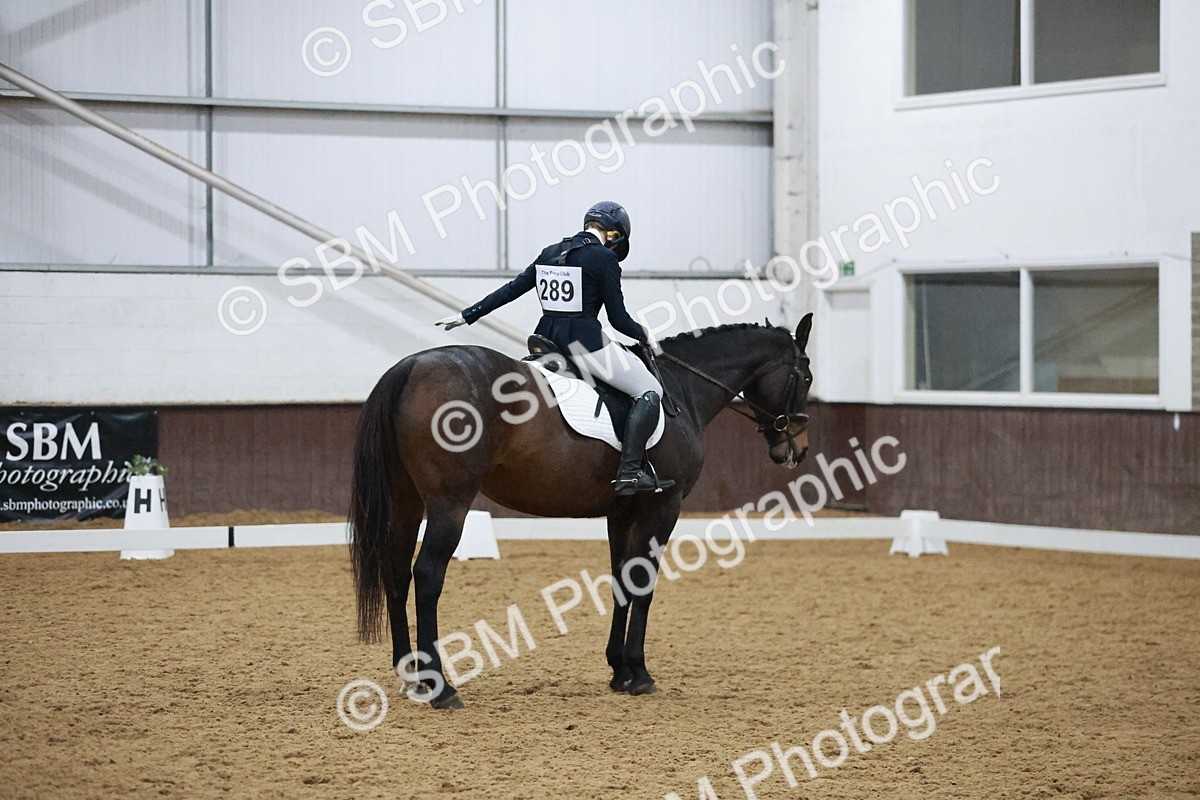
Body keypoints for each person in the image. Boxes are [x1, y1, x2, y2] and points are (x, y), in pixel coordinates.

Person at [435, 201, 673, 496]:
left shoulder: (550, 253)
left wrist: (467, 315)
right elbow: (618, 319)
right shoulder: (604, 259)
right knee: (649, 392)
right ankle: (630, 472)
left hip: (545, 341)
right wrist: (644, 335)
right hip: (585, 346)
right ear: (614, 235)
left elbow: (512, 289)